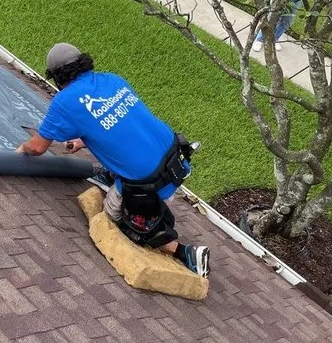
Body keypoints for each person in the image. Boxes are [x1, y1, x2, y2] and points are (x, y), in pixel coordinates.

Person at [16, 43, 210, 278]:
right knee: (130, 165)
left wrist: (24, 148)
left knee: (115, 218)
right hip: (176, 160)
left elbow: (37, 148)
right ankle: (116, 179)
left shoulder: (65, 102)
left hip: (148, 181)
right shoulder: (112, 80)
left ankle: (186, 253)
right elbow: (120, 124)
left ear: (57, 77)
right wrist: (82, 141)